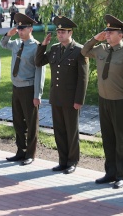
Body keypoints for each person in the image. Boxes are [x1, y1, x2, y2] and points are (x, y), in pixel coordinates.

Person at [81, 14, 123, 189]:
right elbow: (83, 51)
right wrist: (94, 38)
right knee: (107, 138)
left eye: (110, 32)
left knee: (122, 140)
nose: (107, 34)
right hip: (104, 100)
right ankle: (110, 172)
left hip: (120, 102)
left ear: (120, 35)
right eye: (106, 31)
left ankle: (121, 175)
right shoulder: (100, 49)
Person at [35, 16, 89, 174]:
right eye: (58, 31)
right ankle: (62, 160)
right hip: (56, 97)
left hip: (71, 99)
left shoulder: (79, 50)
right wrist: (43, 45)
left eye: (63, 32)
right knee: (59, 130)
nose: (60, 34)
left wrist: (79, 100)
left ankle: (72, 161)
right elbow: (39, 62)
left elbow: (83, 78)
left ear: (70, 32)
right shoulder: (54, 49)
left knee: (71, 131)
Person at [1, 13, 45, 165]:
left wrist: (37, 94)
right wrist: (8, 34)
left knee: (31, 123)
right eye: (18, 28)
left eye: (23, 28)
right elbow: (3, 44)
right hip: (16, 88)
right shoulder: (16, 43)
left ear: (30, 29)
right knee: (18, 122)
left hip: (28, 89)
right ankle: (20, 151)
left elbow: (40, 72)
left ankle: (30, 154)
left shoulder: (36, 47)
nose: (20, 31)